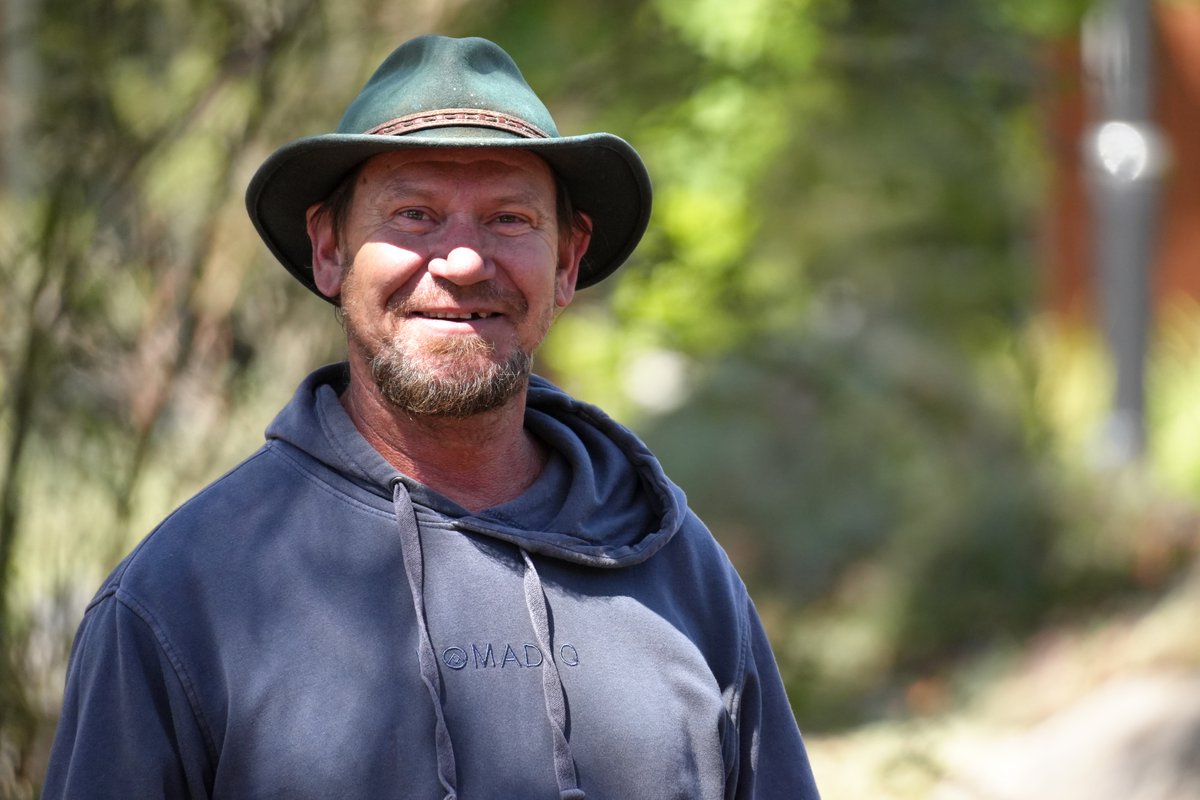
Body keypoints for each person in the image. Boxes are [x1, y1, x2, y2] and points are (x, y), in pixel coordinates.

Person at [44, 35, 822, 799]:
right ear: (329, 250)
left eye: (510, 219)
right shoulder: (180, 599)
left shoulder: (675, 566)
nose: (462, 261)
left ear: (567, 262)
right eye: (413, 214)